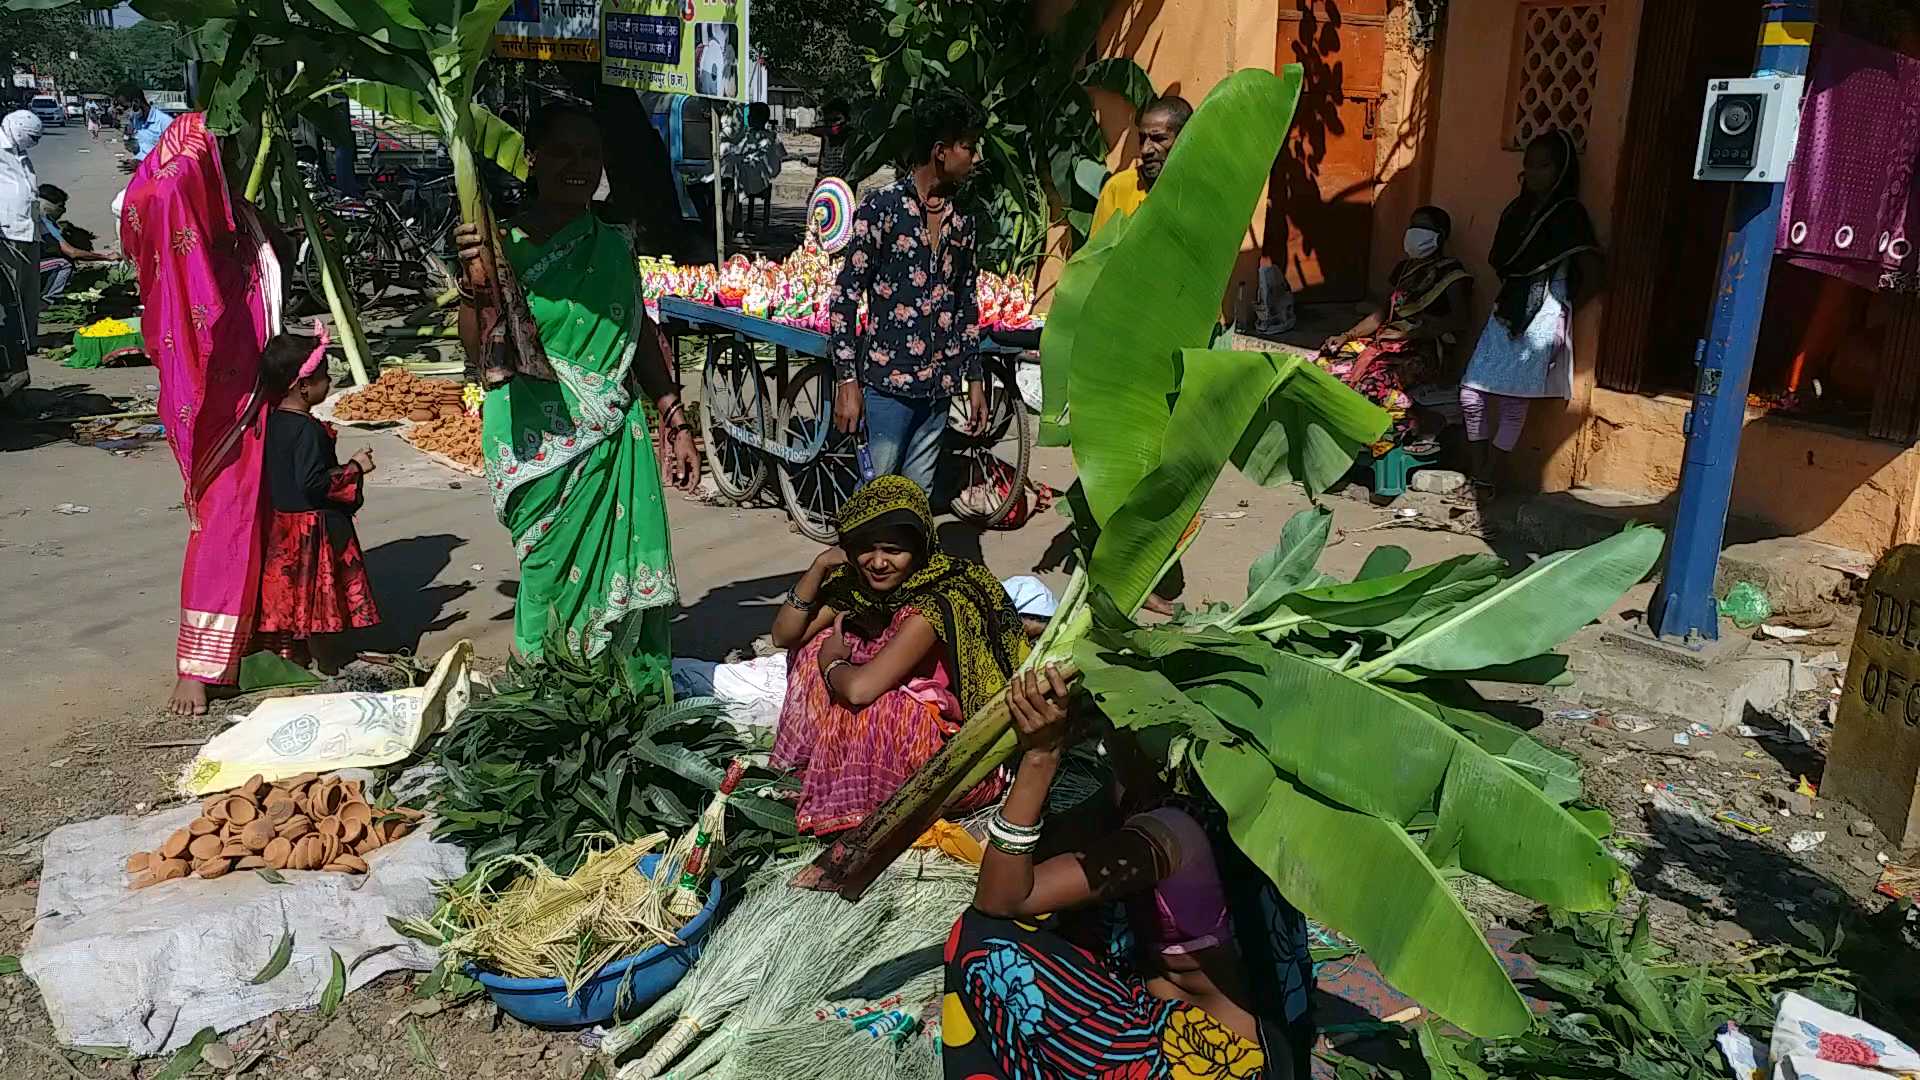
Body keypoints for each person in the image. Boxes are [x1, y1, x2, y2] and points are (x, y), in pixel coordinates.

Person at [942, 668, 1315, 1080]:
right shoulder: (1232, 807)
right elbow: (1055, 857)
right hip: (1238, 1041)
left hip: (1210, 1060)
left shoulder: (1170, 835)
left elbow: (1001, 898)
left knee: (979, 943)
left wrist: (1039, 758)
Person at [453, 104, 700, 691]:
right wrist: (472, 285)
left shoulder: (613, 246)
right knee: (545, 570)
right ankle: (544, 702)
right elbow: (478, 351)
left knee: (615, 574)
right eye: (564, 151)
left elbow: (636, 335)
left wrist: (672, 411)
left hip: (611, 440)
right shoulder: (498, 246)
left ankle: (619, 704)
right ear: (532, 158)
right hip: (537, 441)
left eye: (590, 154)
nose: (579, 166)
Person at [120, 112, 288, 715]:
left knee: (274, 514)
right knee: (223, 523)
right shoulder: (181, 235)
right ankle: (197, 661)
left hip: (260, 393)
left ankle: (261, 638)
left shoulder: (243, 223)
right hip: (217, 407)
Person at [769, 475, 1028, 835]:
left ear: (919, 551)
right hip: (912, 744)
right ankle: (824, 773)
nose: (877, 563)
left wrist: (832, 662)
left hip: (956, 762)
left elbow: (861, 689)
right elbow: (785, 636)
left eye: (893, 551)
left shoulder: (934, 603)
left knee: (879, 707)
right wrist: (817, 568)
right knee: (814, 646)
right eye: (867, 549)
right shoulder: (860, 589)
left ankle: (864, 807)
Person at [828, 90, 989, 494]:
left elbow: (966, 302)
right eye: (968, 147)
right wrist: (847, 382)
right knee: (876, 502)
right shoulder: (881, 209)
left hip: (938, 391)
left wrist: (974, 378)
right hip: (887, 388)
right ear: (940, 152)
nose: (976, 158)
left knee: (916, 506)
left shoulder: (964, 220)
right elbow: (845, 299)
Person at [1458, 129, 1602, 495]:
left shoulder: (1569, 214)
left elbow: (1593, 270)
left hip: (1544, 313)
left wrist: (1567, 307)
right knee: (1471, 393)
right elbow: (1502, 259)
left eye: (1544, 165)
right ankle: (1480, 470)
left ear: (1562, 169)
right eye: (1529, 165)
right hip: (1508, 307)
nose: (1535, 173)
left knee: (1512, 400)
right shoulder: (1517, 210)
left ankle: (1489, 478)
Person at [253, 327, 381, 670]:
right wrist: (355, 468)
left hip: (285, 524)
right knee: (319, 598)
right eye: (325, 377)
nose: (330, 384)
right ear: (303, 385)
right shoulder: (307, 429)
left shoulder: (274, 420)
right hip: (314, 528)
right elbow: (312, 482)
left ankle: (292, 653)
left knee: (293, 594)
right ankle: (330, 659)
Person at [1320, 205, 1474, 454]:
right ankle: (1344, 436)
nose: (1415, 233)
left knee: (1372, 383)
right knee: (1328, 363)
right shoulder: (1404, 270)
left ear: (1441, 236)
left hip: (1423, 351)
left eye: (1423, 228)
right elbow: (1382, 313)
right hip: (1387, 343)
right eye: (1413, 226)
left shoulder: (1453, 276)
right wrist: (1346, 336)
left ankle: (1414, 422)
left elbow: (1461, 321)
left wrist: (1415, 332)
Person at [1091, 95, 1192, 238]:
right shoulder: (1118, 189)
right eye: (1142, 139)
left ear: (1185, 137)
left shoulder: (1201, 190)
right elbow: (1097, 255)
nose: (1145, 150)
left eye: (1159, 139)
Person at [1, 109, 43, 380]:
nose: (35, 143)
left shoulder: (21, 155)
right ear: (17, 130)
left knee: (30, 289)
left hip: (29, 229)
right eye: (31, 138)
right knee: (12, 292)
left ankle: (31, 340)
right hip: (8, 232)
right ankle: (17, 343)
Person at [36, 184, 118, 302]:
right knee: (64, 263)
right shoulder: (44, 221)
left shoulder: (34, 217)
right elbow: (72, 252)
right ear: (48, 206)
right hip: (28, 267)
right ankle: (48, 301)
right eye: (61, 206)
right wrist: (106, 257)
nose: (64, 210)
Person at [722, 102, 784, 235]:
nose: (748, 117)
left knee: (731, 184)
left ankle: (734, 226)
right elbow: (779, 160)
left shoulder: (744, 137)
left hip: (745, 181)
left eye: (750, 115)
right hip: (762, 181)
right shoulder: (773, 136)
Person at [113, 84, 175, 161]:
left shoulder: (165, 122)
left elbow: (173, 154)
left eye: (125, 107)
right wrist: (133, 147)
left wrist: (144, 163)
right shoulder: (136, 120)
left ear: (136, 102)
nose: (124, 112)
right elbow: (143, 149)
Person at [806, 98, 855, 190]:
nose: (832, 124)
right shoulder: (827, 134)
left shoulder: (851, 135)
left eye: (836, 119)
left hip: (844, 183)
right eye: (828, 120)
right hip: (824, 179)